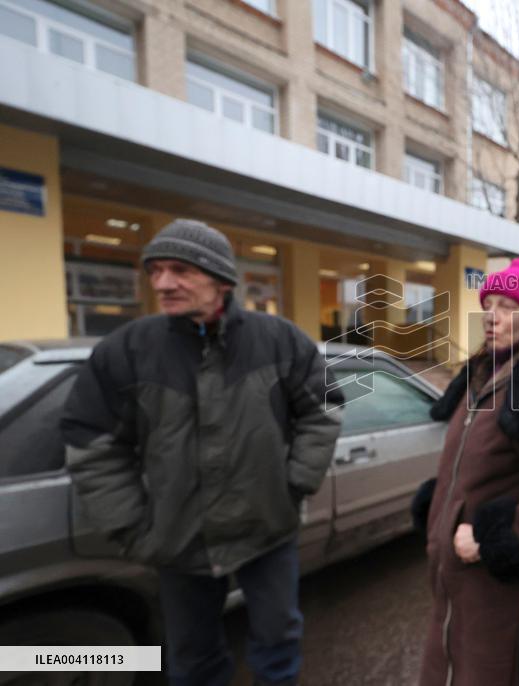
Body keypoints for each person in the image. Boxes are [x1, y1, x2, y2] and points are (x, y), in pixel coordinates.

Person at [61, 219, 342, 686]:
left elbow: (323, 411)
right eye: (155, 271)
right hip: (177, 536)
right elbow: (91, 441)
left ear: (221, 279)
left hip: (266, 529)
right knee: (192, 657)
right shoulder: (126, 350)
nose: (162, 283)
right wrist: (133, 524)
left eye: (179, 270)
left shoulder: (280, 340)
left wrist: (294, 485)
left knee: (278, 640)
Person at [412, 258, 519, 686]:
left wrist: (497, 539)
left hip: (498, 589)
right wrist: (441, 502)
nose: (491, 315)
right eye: (489, 304)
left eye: (507, 305)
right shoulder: (485, 371)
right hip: (453, 582)